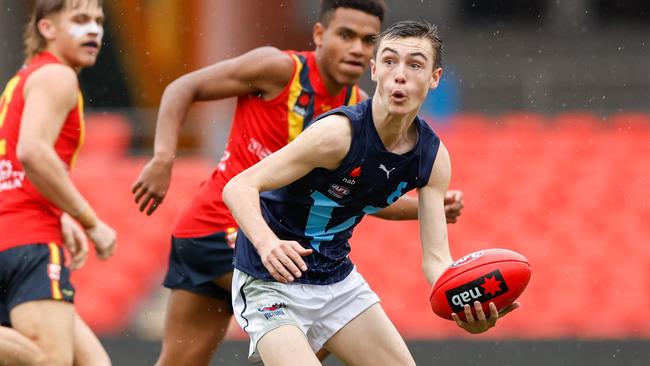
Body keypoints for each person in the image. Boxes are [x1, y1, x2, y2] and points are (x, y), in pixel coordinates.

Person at [131, 1, 463, 365]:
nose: (355, 48)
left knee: (295, 312)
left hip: (279, 241)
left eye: (367, 39)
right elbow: (184, 87)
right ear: (319, 35)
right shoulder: (280, 70)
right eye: (345, 35)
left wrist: (426, 211)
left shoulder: (369, 111)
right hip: (213, 230)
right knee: (285, 311)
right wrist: (163, 157)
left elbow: (351, 196)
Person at [222, 20, 519, 366]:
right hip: (269, 280)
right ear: (375, 69)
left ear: (435, 78)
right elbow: (239, 186)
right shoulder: (337, 134)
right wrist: (267, 243)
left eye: (415, 64)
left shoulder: (432, 158)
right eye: (390, 61)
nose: (400, 74)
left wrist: (462, 302)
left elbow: (437, 260)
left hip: (337, 283)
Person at [0, 0, 116, 365]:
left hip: (13, 232)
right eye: (80, 19)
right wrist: (89, 221)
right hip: (27, 237)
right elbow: (32, 152)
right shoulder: (58, 76)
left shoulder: (26, 77)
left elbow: (11, 163)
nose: (94, 30)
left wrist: (61, 212)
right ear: (47, 28)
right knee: (50, 360)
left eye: (98, 20)